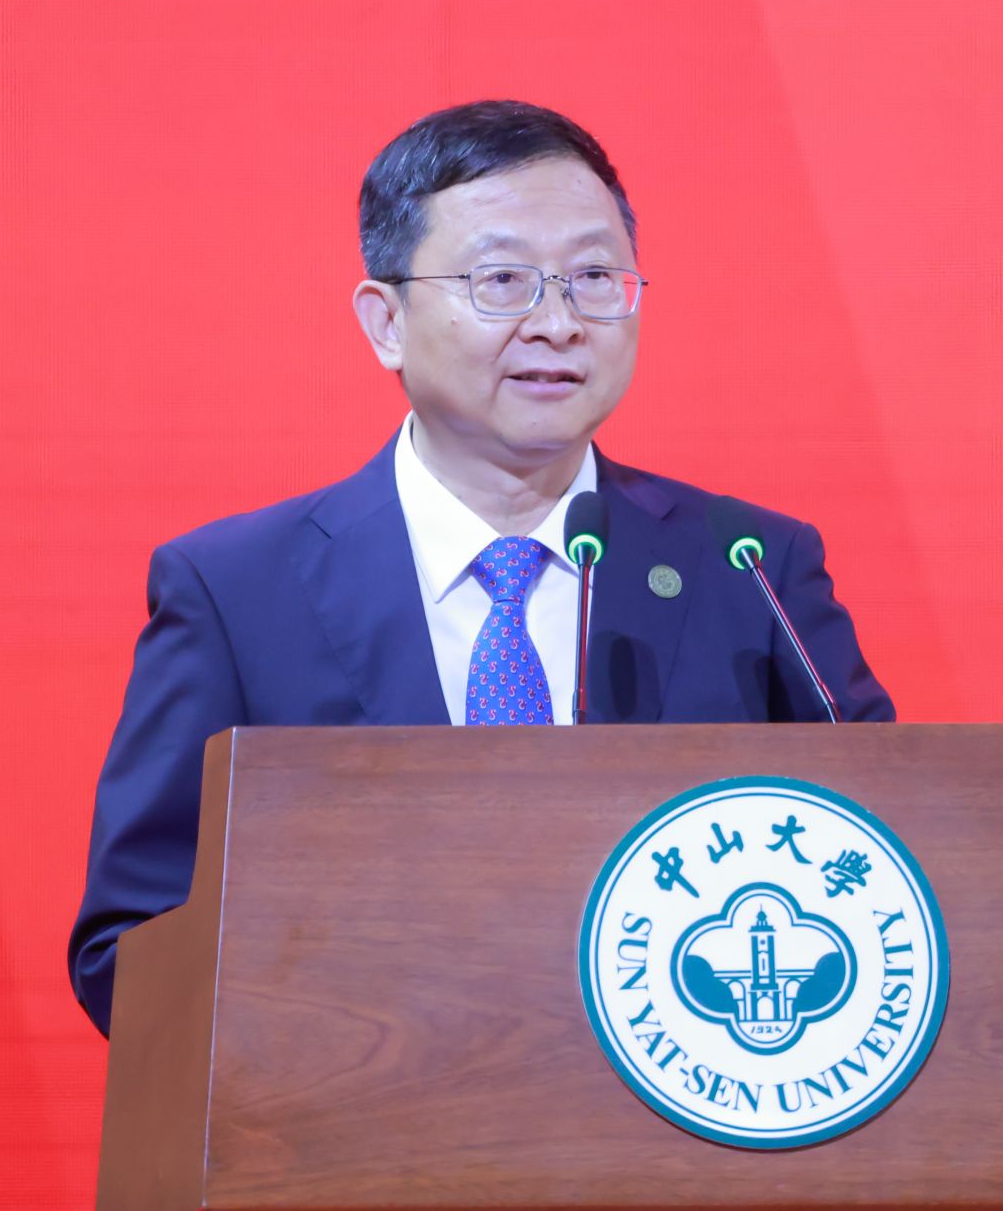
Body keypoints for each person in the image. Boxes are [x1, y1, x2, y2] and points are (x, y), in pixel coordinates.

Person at [67, 100, 892, 1035]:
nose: (558, 323)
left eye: (593, 278)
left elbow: (890, 871)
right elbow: (130, 947)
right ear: (386, 321)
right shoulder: (238, 593)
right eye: (502, 280)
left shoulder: (752, 569)